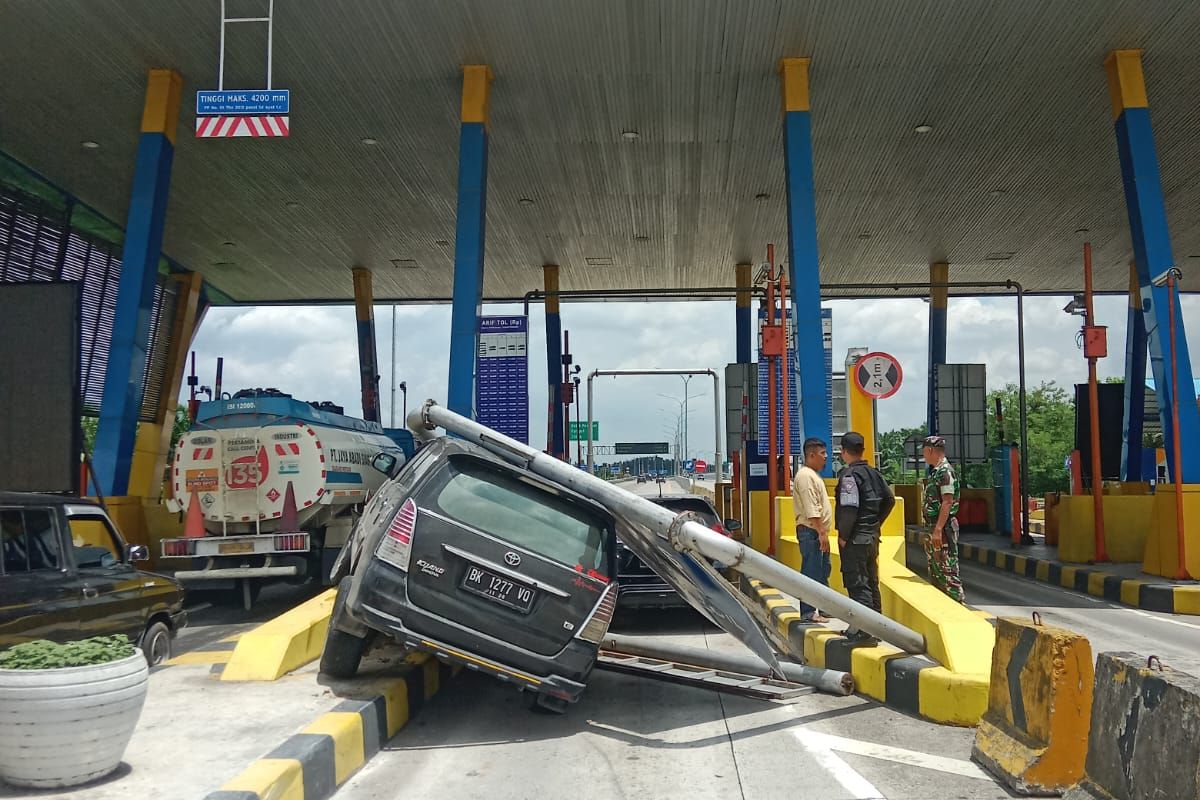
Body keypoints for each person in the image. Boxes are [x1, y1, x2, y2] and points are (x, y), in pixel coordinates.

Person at [834, 431, 895, 642]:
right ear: (862, 450)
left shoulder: (849, 476)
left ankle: (864, 631)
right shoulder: (875, 473)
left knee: (858, 583)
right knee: (871, 582)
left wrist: (843, 535)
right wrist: (876, 523)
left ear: (843, 452)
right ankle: (876, 628)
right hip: (871, 538)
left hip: (855, 539)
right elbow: (890, 500)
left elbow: (849, 510)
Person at [792, 438, 832, 623]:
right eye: (823, 454)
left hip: (817, 531)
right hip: (812, 531)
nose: (826, 457)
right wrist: (821, 533)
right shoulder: (806, 476)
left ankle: (824, 608)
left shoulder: (812, 475)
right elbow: (811, 508)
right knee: (811, 571)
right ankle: (808, 612)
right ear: (811, 455)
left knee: (822, 571)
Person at [922, 435, 965, 603]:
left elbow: (947, 502)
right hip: (935, 527)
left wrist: (938, 530)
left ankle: (958, 606)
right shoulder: (937, 471)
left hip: (943, 528)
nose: (924, 456)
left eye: (924, 452)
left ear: (930, 450)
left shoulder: (945, 472)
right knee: (937, 571)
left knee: (947, 570)